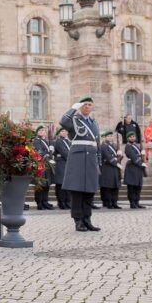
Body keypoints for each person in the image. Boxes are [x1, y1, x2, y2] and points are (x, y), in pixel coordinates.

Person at [59, 97, 101, 232]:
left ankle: (87, 219)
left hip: (91, 159)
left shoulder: (94, 122)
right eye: (85, 104)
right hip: (78, 157)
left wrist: (98, 163)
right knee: (77, 191)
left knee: (89, 191)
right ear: (81, 106)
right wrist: (73, 108)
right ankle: (78, 220)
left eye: (90, 104)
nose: (87, 107)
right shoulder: (74, 120)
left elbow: (97, 143)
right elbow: (63, 121)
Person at [32, 126, 54, 210]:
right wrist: (47, 154)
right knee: (40, 185)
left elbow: (48, 152)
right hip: (40, 165)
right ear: (37, 132)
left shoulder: (45, 141)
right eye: (40, 130)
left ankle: (45, 201)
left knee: (46, 185)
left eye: (43, 130)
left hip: (47, 164)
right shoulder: (36, 140)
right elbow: (39, 151)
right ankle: (39, 202)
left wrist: (51, 151)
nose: (42, 132)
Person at [123, 131, 147, 209]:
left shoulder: (136, 145)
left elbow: (139, 155)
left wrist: (142, 153)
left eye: (133, 136)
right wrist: (141, 163)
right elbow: (133, 157)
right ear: (128, 138)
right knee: (132, 187)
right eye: (131, 137)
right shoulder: (128, 146)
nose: (133, 138)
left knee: (138, 187)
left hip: (138, 168)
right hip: (132, 168)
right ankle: (132, 203)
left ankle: (137, 202)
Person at [98, 131, 121, 209]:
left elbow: (117, 156)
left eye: (111, 136)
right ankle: (108, 202)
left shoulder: (114, 145)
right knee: (108, 186)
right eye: (108, 136)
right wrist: (116, 162)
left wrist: (120, 155)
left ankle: (114, 202)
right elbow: (108, 156)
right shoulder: (103, 146)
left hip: (114, 168)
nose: (110, 138)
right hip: (107, 168)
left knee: (115, 186)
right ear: (104, 137)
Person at [53, 127, 71, 209]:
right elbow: (64, 152)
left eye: (65, 131)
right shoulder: (59, 141)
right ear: (59, 133)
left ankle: (68, 201)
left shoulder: (68, 141)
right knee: (60, 184)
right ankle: (61, 202)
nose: (64, 132)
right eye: (62, 131)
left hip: (67, 165)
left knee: (67, 184)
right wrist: (72, 158)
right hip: (61, 165)